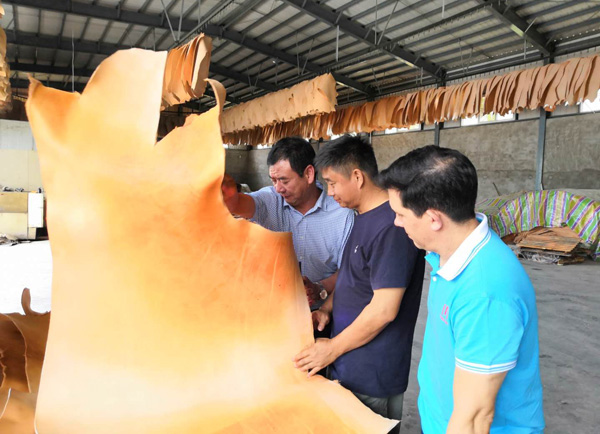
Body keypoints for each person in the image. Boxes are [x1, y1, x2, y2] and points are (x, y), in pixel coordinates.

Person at [380, 145, 545, 434]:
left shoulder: (484, 292)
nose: (396, 222)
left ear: (433, 219)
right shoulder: (449, 255)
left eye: (400, 214)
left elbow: (474, 418)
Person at [292, 135, 425, 433]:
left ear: (357, 176)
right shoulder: (362, 217)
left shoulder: (392, 225)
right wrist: (326, 309)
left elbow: (384, 309)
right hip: (349, 363)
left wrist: (332, 349)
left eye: (332, 183)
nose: (330, 192)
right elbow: (352, 277)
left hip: (372, 372)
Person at [221, 137, 354, 310]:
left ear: (309, 174)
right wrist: (228, 196)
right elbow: (240, 204)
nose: (278, 188)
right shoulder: (271, 200)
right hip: (272, 310)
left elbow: (349, 271)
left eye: (284, 181)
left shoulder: (342, 214)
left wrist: (320, 288)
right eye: (273, 180)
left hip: (320, 313)